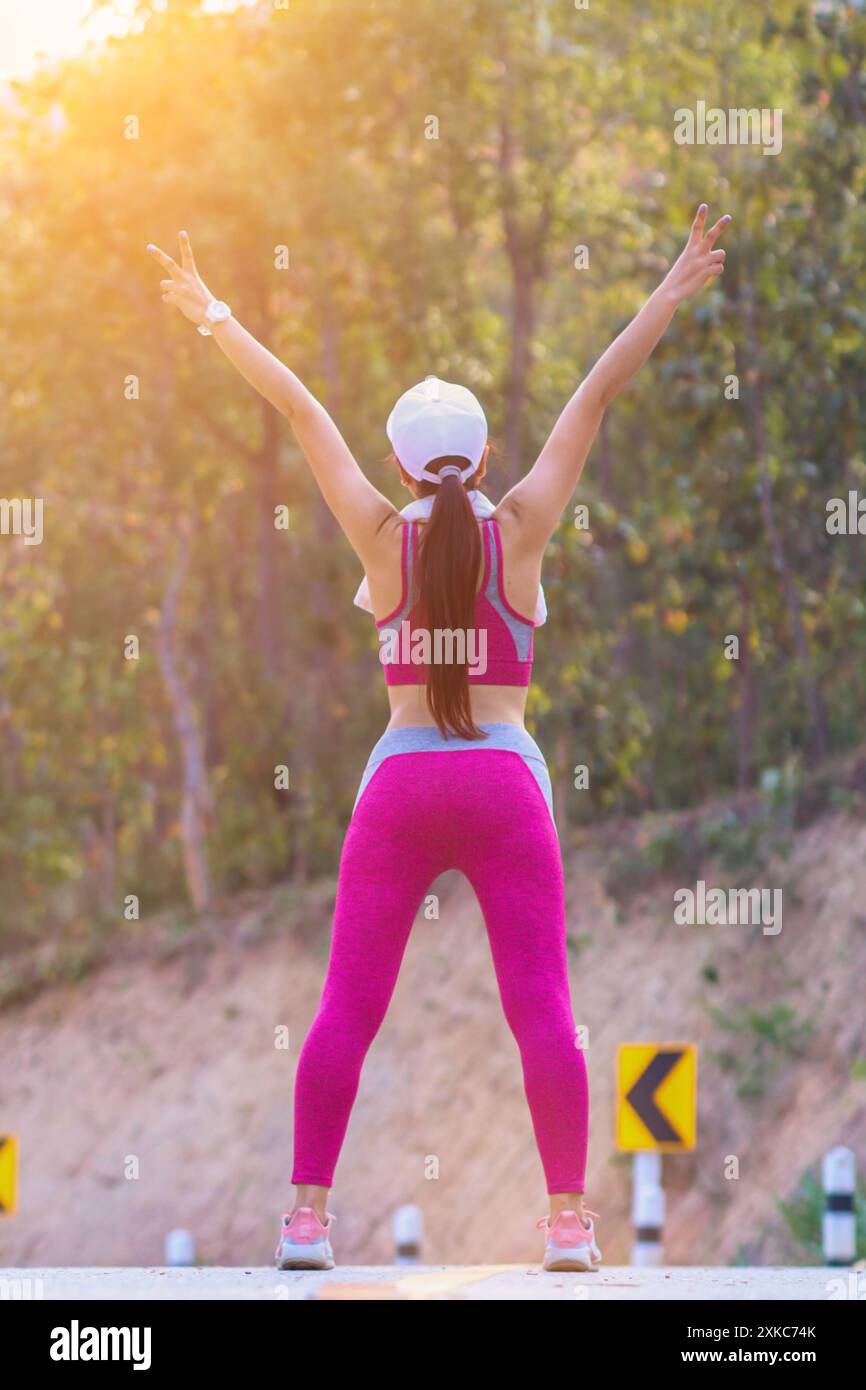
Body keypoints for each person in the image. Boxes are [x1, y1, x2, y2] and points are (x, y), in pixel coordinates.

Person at [148, 203, 730, 1273]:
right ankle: (564, 1225)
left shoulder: (374, 534)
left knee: (346, 1011)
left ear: (400, 461)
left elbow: (295, 405)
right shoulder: (521, 526)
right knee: (542, 1011)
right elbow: (593, 393)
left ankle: (306, 1222)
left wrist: (214, 310)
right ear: (479, 454)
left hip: (400, 788)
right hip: (504, 788)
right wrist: (669, 286)